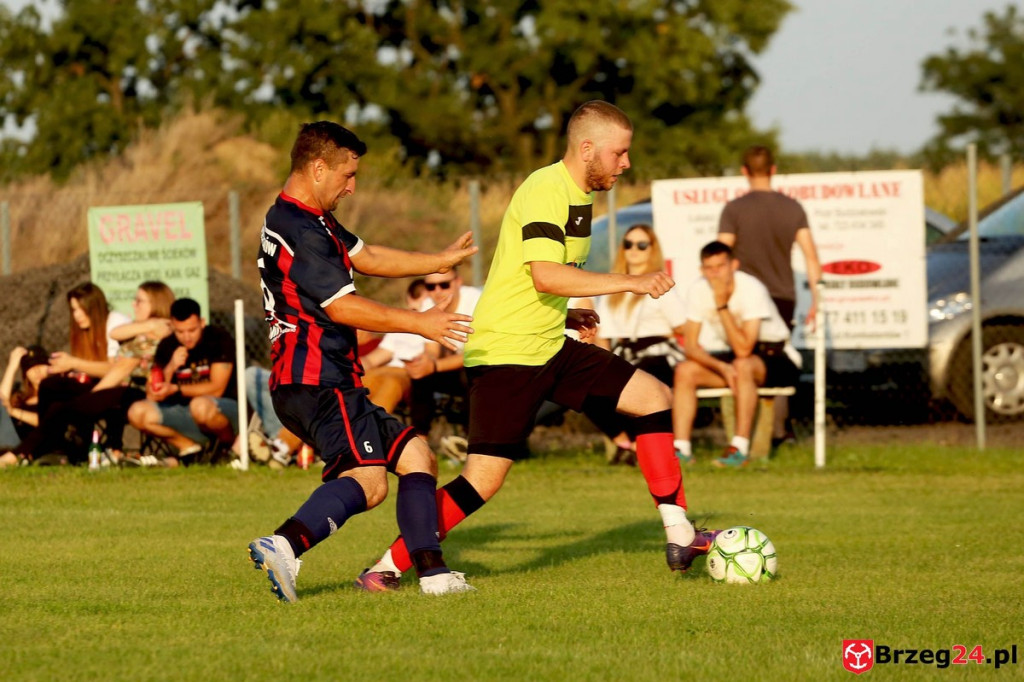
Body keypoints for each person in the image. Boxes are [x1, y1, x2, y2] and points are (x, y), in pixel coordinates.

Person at [356, 100, 717, 592]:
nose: (626, 163)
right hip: (507, 354)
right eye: (619, 153)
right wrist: (630, 282)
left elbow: (534, 280)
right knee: (482, 480)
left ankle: (680, 535)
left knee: (653, 397)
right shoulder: (546, 190)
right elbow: (546, 275)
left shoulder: (580, 195)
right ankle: (384, 568)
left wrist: (567, 314)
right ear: (586, 149)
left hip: (547, 343)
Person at [246, 120, 479, 601]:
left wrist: (435, 262)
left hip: (321, 380)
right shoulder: (301, 229)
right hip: (318, 380)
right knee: (369, 483)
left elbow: (366, 256)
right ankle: (284, 545)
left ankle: (433, 573)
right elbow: (343, 308)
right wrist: (421, 323)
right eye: (347, 175)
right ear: (317, 168)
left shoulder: (305, 217)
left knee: (417, 455)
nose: (352, 187)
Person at [715, 144, 822, 444]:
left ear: (744, 171)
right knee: (776, 360)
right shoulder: (793, 208)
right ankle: (779, 430)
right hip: (782, 297)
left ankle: (744, 432)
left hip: (742, 298)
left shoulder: (734, 209)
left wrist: (718, 293)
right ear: (773, 170)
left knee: (743, 358)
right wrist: (816, 299)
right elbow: (811, 257)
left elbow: (721, 253)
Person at [673, 241, 800, 467]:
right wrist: (721, 367)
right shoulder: (698, 289)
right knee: (685, 370)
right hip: (739, 359)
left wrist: (722, 306)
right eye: (709, 268)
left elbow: (744, 348)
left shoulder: (751, 288)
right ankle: (681, 450)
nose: (715, 273)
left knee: (742, 365)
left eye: (720, 266)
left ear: (734, 265)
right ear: (702, 270)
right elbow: (690, 347)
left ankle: (739, 449)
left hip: (776, 356)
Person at [591, 224, 687, 464]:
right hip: (623, 352)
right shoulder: (613, 287)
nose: (633, 249)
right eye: (628, 244)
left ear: (652, 249)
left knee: (644, 380)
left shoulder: (661, 284)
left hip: (658, 353)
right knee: (589, 388)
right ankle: (628, 443)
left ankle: (645, 447)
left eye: (641, 245)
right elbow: (603, 335)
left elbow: (682, 326)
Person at [127, 297, 238, 467]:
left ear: (202, 323)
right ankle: (190, 449)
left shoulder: (218, 339)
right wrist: (171, 367)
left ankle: (228, 449)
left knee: (199, 406)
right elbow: (152, 393)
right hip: (185, 413)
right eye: (180, 332)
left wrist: (176, 389)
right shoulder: (167, 345)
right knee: (137, 412)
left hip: (221, 411)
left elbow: (217, 389)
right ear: (172, 326)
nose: (187, 337)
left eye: (192, 330)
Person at [403, 267, 481, 438]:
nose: (437, 291)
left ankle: (472, 441)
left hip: (484, 366)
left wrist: (434, 365)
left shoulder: (477, 301)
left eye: (444, 285)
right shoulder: (429, 305)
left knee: (471, 375)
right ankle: (420, 439)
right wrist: (424, 363)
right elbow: (432, 350)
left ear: (458, 282)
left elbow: (475, 355)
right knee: (421, 376)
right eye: (431, 287)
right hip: (458, 367)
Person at [360, 278, 431, 412]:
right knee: (356, 382)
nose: (422, 304)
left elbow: (435, 355)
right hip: (384, 370)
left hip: (409, 373)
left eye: (427, 301)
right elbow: (373, 359)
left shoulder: (435, 329)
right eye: (415, 295)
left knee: (391, 384)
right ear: (409, 299)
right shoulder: (400, 328)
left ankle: (372, 423)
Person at [0, 345, 49, 467]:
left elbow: (49, 422)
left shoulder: (57, 395)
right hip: (10, 443)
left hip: (32, 448)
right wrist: (12, 367)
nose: (37, 371)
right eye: (31, 367)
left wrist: (13, 412)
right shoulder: (20, 399)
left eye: (41, 365)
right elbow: (2, 403)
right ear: (25, 374)